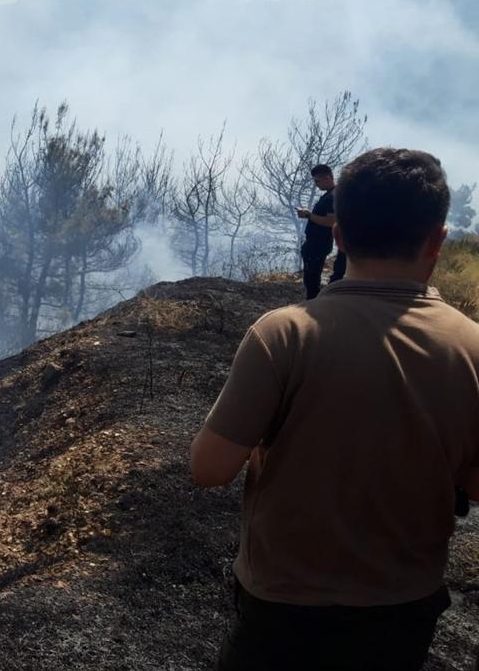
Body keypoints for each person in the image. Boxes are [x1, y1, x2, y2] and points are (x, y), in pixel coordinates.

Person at [189, 148, 479, 670]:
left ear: (339, 236)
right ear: (437, 240)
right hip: (403, 609)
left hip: (283, 605)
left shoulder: (284, 333)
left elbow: (209, 469)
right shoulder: (472, 346)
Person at [297, 164, 347, 299]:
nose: (316, 185)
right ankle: (314, 300)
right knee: (310, 276)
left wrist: (309, 215)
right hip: (316, 243)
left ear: (327, 178)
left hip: (318, 244)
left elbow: (330, 221)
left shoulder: (333, 196)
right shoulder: (330, 195)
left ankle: (314, 302)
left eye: (317, 181)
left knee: (312, 276)